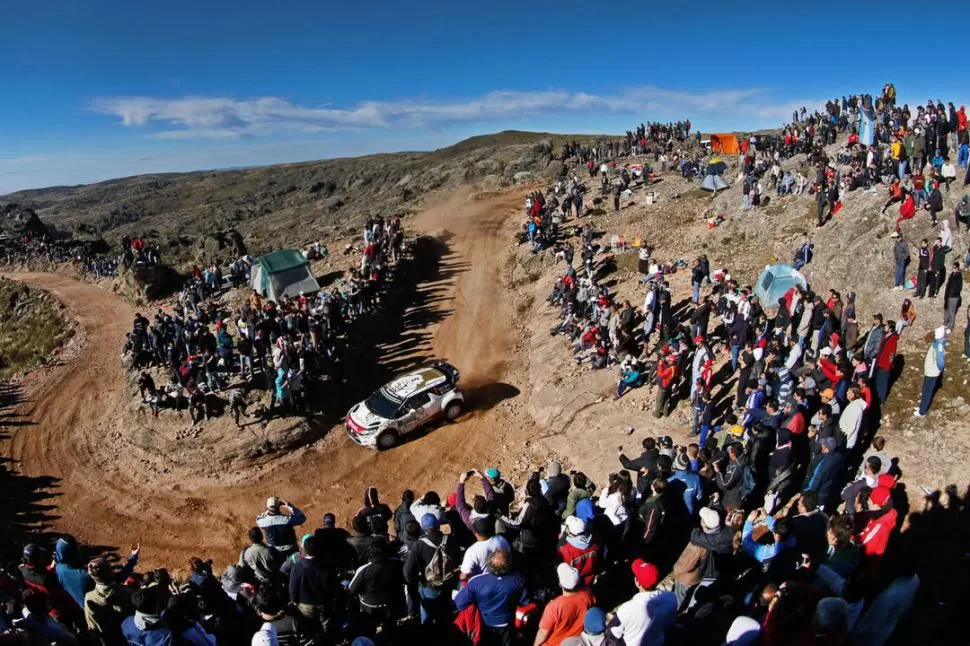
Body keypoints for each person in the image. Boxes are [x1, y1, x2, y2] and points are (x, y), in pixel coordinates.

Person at [455, 550, 529, 646]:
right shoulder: (519, 580)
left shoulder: (476, 582)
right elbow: (524, 601)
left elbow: (460, 603)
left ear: (488, 563)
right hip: (507, 624)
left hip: (483, 625)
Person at [403, 514, 460, 627]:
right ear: (438, 525)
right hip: (447, 584)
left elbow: (407, 571)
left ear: (423, 528)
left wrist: (418, 581)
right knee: (444, 617)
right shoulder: (450, 539)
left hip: (428, 586)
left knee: (427, 619)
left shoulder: (419, 545)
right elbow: (457, 559)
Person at [608, 560, 677, 646]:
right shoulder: (671, 598)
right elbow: (670, 623)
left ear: (636, 581)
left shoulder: (626, 609)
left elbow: (612, 633)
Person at [533, 563, 595, 646]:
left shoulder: (554, 607)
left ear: (560, 584)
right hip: (575, 642)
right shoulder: (588, 594)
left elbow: (543, 633)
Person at [915, 326, 946, 417]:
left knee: (928, 391)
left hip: (932, 373)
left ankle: (922, 412)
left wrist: (939, 370)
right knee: (925, 389)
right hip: (929, 371)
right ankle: (922, 406)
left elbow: (940, 362)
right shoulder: (936, 343)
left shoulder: (939, 346)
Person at [943, 261, 963, 331]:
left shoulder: (959, 276)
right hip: (948, 295)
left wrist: (954, 293)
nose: (953, 269)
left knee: (952, 312)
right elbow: (948, 285)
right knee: (946, 310)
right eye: (953, 267)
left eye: (955, 268)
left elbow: (960, 288)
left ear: (958, 268)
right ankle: (945, 323)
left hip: (954, 297)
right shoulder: (952, 274)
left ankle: (950, 327)